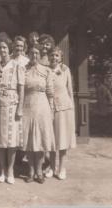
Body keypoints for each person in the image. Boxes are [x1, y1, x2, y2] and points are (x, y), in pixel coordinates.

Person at [0, 37, 25, 184]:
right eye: (0, 48)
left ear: (9, 49)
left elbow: (21, 88)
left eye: (5, 47)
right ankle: (2, 169)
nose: (2, 50)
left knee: (11, 140)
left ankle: (10, 169)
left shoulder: (17, 65)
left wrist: (20, 107)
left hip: (12, 103)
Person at [22, 44, 55, 184]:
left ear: (40, 55)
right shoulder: (23, 70)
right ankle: (30, 171)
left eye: (37, 53)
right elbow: (20, 89)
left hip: (43, 106)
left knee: (41, 139)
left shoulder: (46, 71)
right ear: (28, 54)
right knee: (29, 140)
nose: (34, 55)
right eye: (32, 53)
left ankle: (39, 171)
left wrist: (52, 109)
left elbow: (50, 92)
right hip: (27, 105)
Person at [48, 47, 77, 180]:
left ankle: (62, 168)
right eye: (52, 55)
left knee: (63, 138)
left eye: (57, 56)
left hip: (64, 108)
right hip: (49, 108)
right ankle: (52, 167)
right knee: (52, 139)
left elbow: (70, 91)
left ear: (61, 58)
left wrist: (72, 108)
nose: (54, 58)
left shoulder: (65, 70)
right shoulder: (46, 70)